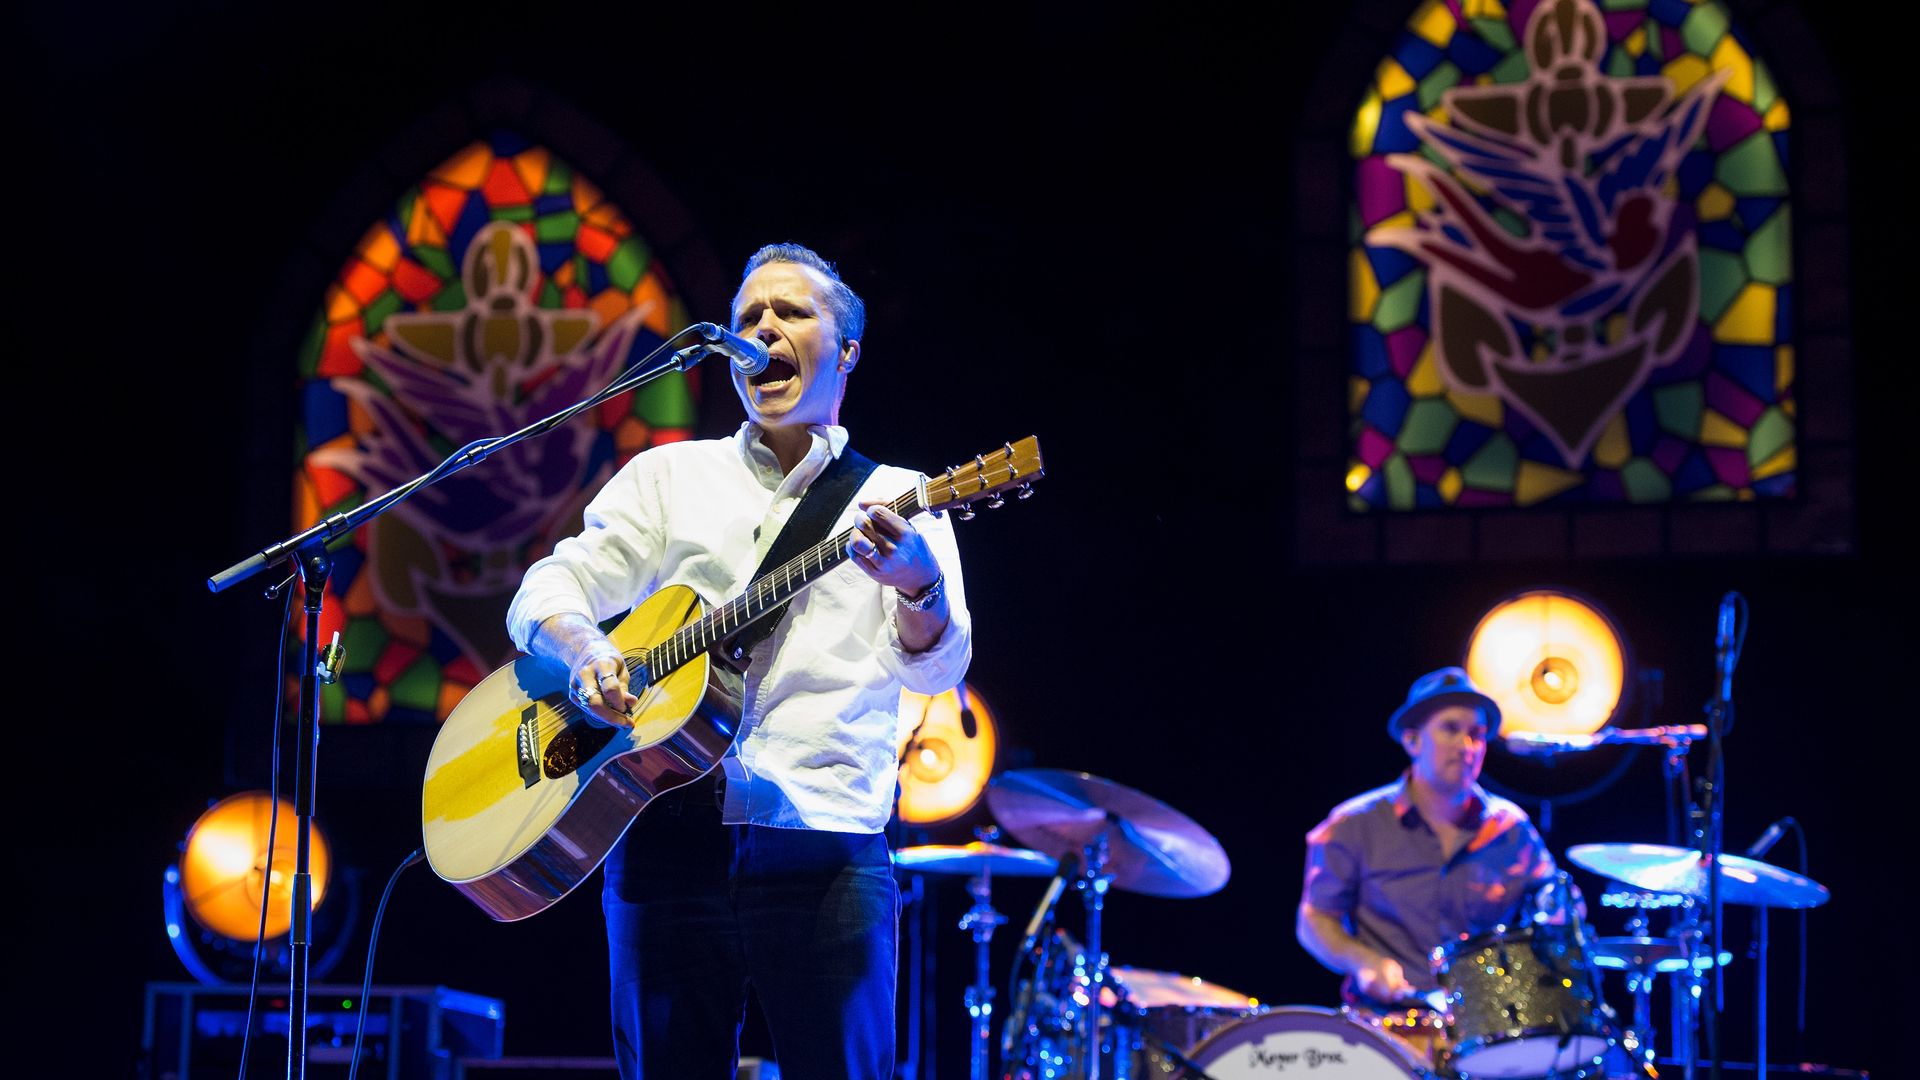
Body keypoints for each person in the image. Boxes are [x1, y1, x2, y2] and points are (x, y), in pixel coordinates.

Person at [505, 243, 972, 1079]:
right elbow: (546, 588)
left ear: (847, 351)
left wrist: (918, 585)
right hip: (663, 833)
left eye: (790, 313)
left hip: (826, 847)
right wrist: (587, 651)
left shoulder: (904, 496)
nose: (762, 330)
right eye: (748, 317)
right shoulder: (670, 476)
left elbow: (935, 672)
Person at [1296, 667, 1560, 1022]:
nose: (1467, 746)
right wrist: (1362, 960)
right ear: (1412, 740)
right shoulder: (1354, 824)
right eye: (1451, 729)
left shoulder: (1511, 828)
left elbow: (1554, 902)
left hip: (1486, 1026)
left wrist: (1558, 908)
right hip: (1387, 1023)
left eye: (1477, 735)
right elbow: (1314, 918)